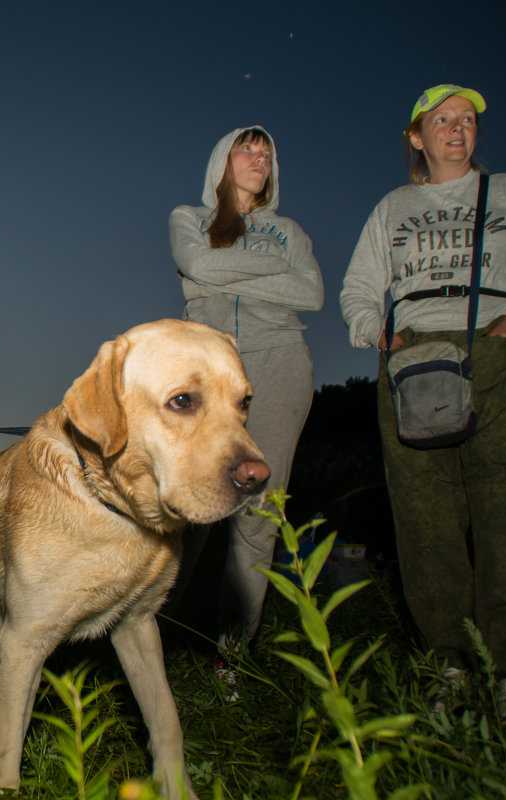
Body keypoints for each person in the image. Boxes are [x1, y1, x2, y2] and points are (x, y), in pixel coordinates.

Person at [340, 84, 506, 717]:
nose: (456, 129)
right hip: (414, 358)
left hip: (499, 354)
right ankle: (450, 662)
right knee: (424, 520)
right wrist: (379, 336)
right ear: (417, 136)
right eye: (441, 120)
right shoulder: (393, 206)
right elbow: (359, 288)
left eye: (466, 120)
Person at [168, 126, 323, 679]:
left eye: (267, 154)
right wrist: (270, 270)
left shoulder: (287, 232)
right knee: (188, 508)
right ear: (222, 160)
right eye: (247, 149)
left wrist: (231, 270)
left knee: (259, 512)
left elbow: (312, 293)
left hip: (281, 364)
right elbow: (200, 268)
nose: (259, 159)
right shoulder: (189, 218)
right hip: (210, 369)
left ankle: (230, 658)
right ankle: (148, 641)